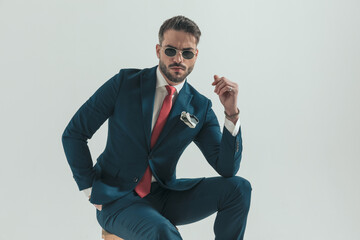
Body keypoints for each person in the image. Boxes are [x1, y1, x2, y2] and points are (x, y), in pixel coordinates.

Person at [62, 15, 251, 240]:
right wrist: (90, 190)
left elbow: (227, 169)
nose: (178, 59)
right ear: (158, 50)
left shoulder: (200, 106)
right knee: (163, 232)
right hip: (118, 200)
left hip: (166, 195)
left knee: (239, 189)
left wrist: (231, 113)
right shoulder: (125, 83)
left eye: (187, 53)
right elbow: (74, 133)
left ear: (195, 56)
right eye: (171, 50)